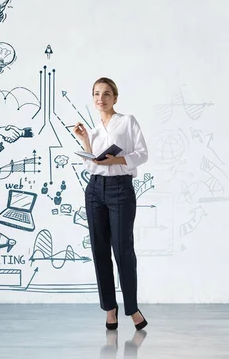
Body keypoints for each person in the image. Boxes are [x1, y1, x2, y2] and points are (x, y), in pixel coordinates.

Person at [72, 77, 148, 331]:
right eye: (96, 94)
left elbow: (142, 154)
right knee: (99, 251)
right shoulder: (93, 130)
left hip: (120, 190)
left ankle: (133, 308)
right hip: (95, 190)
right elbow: (91, 163)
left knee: (123, 251)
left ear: (115, 98)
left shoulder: (127, 122)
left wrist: (114, 162)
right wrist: (85, 141)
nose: (100, 99)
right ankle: (110, 309)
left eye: (106, 94)